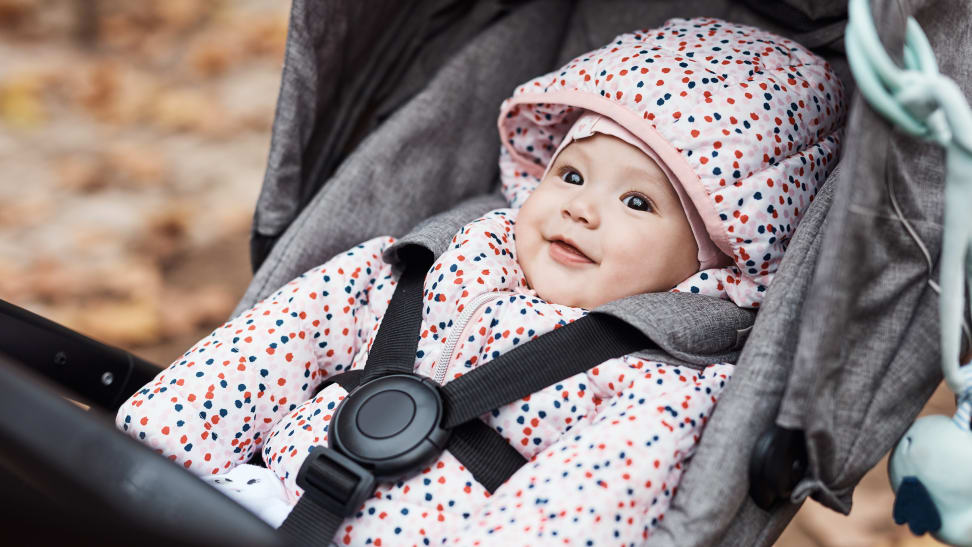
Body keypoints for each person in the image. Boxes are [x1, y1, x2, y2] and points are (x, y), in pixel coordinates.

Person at [117, 17, 844, 544]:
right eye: (571, 172)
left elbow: (577, 508)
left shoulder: (661, 385)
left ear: (712, 265)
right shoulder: (452, 255)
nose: (582, 208)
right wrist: (163, 444)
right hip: (256, 494)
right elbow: (298, 326)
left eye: (637, 202)